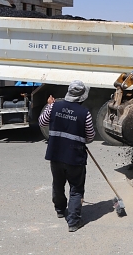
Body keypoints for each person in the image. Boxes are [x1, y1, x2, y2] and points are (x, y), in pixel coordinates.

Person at [38, 80, 96, 232]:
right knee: (76, 189)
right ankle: (73, 222)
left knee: (58, 183)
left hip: (55, 154)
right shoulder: (85, 114)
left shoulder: (54, 106)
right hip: (75, 157)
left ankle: (59, 209)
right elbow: (90, 137)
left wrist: (50, 106)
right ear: (82, 97)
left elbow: (42, 122)